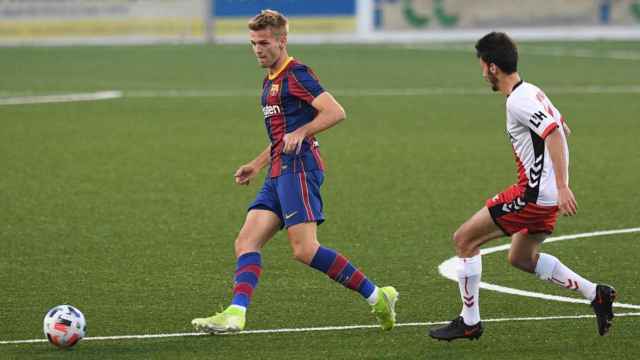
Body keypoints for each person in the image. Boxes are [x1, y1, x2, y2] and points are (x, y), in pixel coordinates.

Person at [191, 9, 398, 334]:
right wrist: (256, 164)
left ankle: (377, 297)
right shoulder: (269, 79)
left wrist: (303, 133)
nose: (257, 49)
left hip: (300, 169)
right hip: (277, 171)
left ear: (282, 41)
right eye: (253, 43)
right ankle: (235, 313)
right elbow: (282, 134)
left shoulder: (296, 74)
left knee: (304, 250)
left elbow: (335, 112)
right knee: (246, 242)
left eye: (263, 43)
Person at [428, 32, 616, 341]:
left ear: (492, 68)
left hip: (533, 196)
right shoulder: (531, 91)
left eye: (481, 66)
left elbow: (555, 133)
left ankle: (470, 321)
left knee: (464, 240)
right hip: (546, 196)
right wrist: (557, 187)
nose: (481, 73)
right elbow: (561, 126)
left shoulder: (519, 100)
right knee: (521, 258)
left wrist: (562, 185)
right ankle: (596, 294)